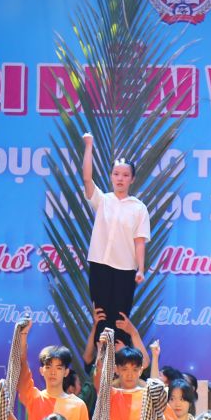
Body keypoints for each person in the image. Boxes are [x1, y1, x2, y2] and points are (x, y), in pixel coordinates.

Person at [80, 131, 149, 346]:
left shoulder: (139, 208)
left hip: (125, 270)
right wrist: (89, 145)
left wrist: (140, 269)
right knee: (101, 317)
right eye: (116, 174)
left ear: (132, 179)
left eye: (125, 175)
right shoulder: (103, 200)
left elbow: (139, 240)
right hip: (99, 265)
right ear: (111, 176)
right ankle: (101, 362)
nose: (120, 178)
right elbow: (87, 178)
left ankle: (120, 362)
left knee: (120, 319)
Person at [15, 325, 91, 420]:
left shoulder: (78, 405)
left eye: (58, 367)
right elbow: (22, 367)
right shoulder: (34, 398)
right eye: (48, 367)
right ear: (41, 371)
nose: (53, 372)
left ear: (66, 372)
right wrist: (23, 336)